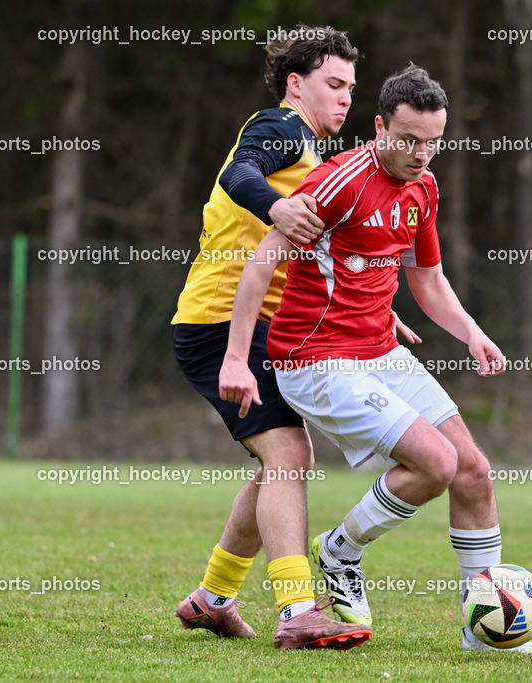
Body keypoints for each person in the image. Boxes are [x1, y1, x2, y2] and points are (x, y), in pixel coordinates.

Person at [219, 64, 532, 653]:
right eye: (408, 140)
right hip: (314, 359)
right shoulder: (339, 181)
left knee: (473, 472)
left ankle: (484, 633)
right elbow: (262, 262)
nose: (420, 154)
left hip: (379, 351)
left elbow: (428, 280)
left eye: (433, 142)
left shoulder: (424, 187)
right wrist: (237, 360)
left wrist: (472, 334)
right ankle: (340, 550)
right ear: (379, 127)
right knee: (436, 464)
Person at [171, 26, 378, 650]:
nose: (344, 98)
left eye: (350, 87)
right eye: (333, 84)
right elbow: (241, 172)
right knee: (289, 454)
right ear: (296, 83)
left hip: (258, 324)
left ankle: (212, 599)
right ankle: (297, 611)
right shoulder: (282, 127)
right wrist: (275, 206)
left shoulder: (314, 157)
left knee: (281, 460)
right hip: (220, 321)